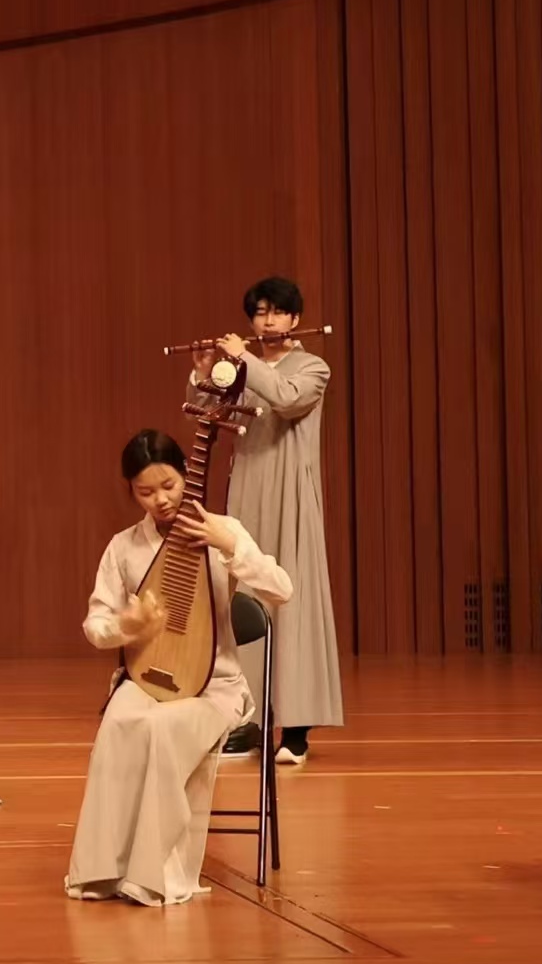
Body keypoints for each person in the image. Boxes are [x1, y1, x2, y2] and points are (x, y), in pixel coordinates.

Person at [65, 429, 293, 907]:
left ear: (187, 476)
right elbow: (95, 624)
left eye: (168, 485)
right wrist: (125, 626)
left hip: (214, 685)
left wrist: (230, 546)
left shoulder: (222, 531)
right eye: (145, 492)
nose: (161, 500)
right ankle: (101, 871)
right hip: (145, 678)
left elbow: (281, 589)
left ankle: (153, 876)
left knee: (164, 729)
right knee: (118, 723)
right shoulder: (124, 547)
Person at [212, 276, 341, 764]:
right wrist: (206, 373)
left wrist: (243, 361)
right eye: (260, 313)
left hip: (291, 491)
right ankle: (250, 718)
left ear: (294, 318)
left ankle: (297, 728)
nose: (268, 321)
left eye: (277, 312)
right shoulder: (240, 364)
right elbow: (208, 410)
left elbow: (287, 400)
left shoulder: (313, 367)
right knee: (243, 593)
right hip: (248, 486)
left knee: (292, 597)